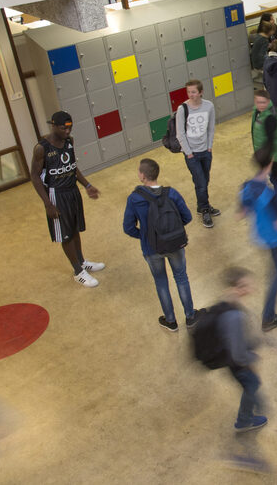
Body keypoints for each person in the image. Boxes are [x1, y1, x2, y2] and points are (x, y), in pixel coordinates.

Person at [30, 111, 105, 286]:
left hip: (72, 191)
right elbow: (34, 176)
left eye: (70, 127)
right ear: (54, 126)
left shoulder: (69, 141)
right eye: (64, 128)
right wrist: (48, 204)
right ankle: (77, 272)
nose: (67, 131)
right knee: (66, 234)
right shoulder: (42, 148)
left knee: (75, 229)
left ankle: (81, 262)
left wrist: (87, 185)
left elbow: (72, 167)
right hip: (56, 194)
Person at [123, 158, 197, 331]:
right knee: (181, 277)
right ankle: (190, 316)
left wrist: (145, 236)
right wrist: (171, 233)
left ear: (142, 176)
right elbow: (187, 217)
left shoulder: (134, 199)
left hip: (151, 248)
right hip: (175, 245)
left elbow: (128, 227)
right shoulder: (172, 193)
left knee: (161, 281)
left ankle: (170, 321)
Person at [239, 145, 277, 332]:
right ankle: (268, 317)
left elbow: (243, 211)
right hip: (274, 237)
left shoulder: (247, 186)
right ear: (270, 164)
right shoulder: (270, 194)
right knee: (275, 273)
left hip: (258, 235)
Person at [213, 266, 268, 432]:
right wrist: (252, 359)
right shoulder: (235, 316)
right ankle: (244, 421)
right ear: (234, 288)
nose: (251, 288)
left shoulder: (229, 303)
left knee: (252, 384)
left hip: (230, 356)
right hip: (237, 361)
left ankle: (252, 409)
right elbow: (238, 354)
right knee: (252, 384)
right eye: (245, 285)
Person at [251, 89, 277, 204]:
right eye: (258, 102)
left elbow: (271, 141)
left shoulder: (270, 117)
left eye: (263, 102)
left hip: (274, 154)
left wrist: (270, 160)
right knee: (276, 176)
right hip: (266, 152)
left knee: (276, 177)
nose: (261, 105)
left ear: (268, 101)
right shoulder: (258, 111)